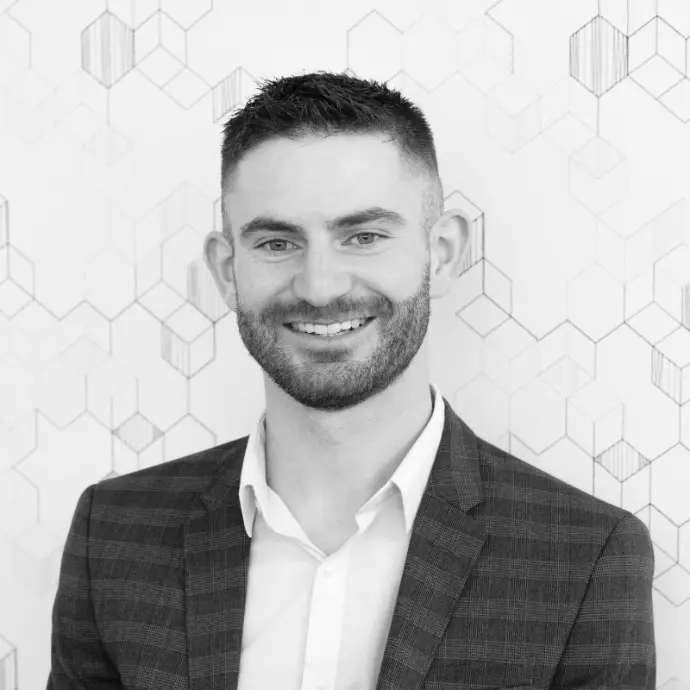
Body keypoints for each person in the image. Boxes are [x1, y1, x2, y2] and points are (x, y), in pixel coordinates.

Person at [47, 71, 656, 690]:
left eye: (363, 236)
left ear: (443, 252)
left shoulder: (586, 557)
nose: (320, 286)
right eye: (277, 243)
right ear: (228, 271)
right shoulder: (113, 534)